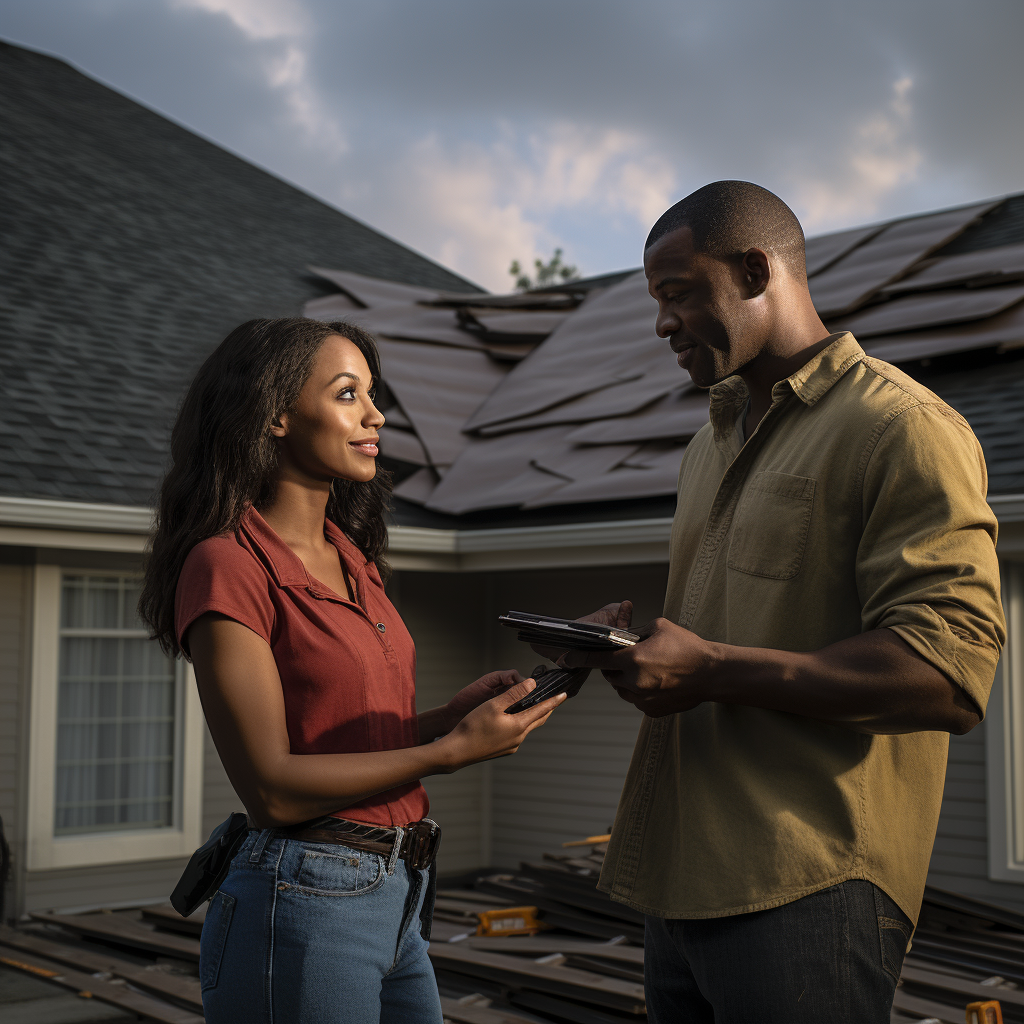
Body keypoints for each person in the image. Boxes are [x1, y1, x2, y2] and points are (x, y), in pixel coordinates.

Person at [559, 182, 1006, 1023]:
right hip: (678, 877)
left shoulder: (902, 427)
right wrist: (631, 648)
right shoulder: (708, 443)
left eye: (678, 294)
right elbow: (728, 647)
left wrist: (712, 669)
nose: (662, 325)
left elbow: (949, 673)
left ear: (758, 270)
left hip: (809, 886)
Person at [139, 317, 565, 1024]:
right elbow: (272, 788)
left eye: (373, 394)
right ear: (274, 414)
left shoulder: (353, 559)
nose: (377, 415)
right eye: (347, 394)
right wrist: (450, 751)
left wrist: (445, 721)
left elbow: (341, 742)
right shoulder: (228, 565)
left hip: (398, 889)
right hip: (303, 897)